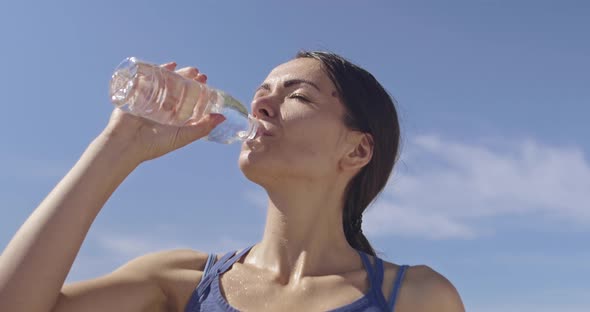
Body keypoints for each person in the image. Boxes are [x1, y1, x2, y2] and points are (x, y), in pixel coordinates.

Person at [0, 51, 465, 312]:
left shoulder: (417, 298)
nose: (261, 105)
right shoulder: (180, 281)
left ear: (358, 150)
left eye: (297, 95)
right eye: (262, 92)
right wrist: (117, 148)